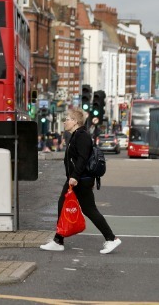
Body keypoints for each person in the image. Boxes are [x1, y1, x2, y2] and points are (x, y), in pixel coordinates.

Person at [40, 107, 122, 254]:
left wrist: (74, 177)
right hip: (77, 178)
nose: (64, 122)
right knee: (72, 207)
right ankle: (59, 240)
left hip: (80, 179)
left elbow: (82, 159)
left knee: (88, 209)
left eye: (67, 119)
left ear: (75, 121)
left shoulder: (82, 136)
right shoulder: (76, 135)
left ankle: (111, 238)